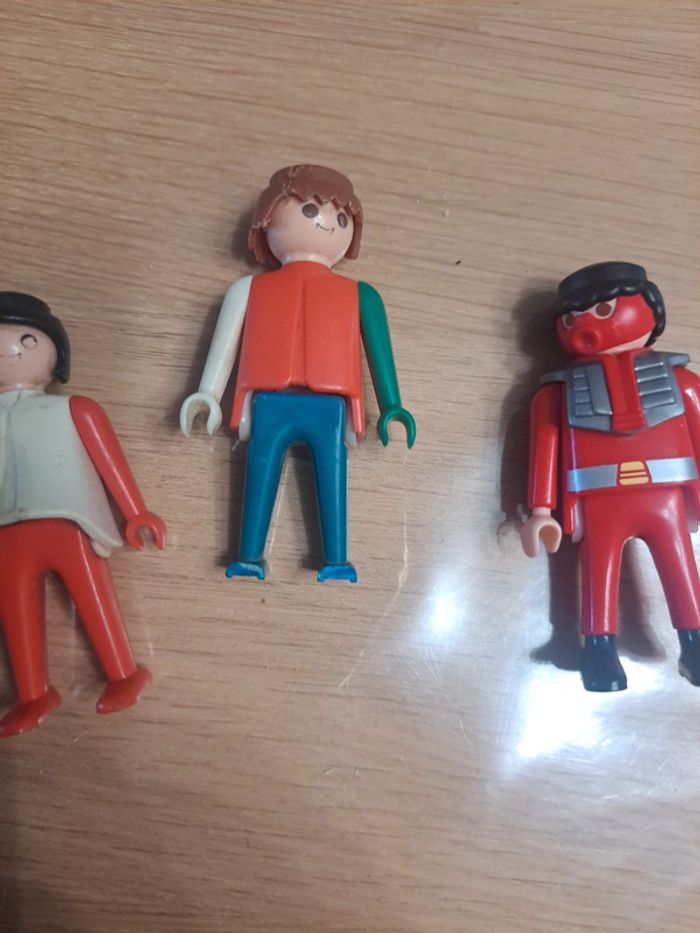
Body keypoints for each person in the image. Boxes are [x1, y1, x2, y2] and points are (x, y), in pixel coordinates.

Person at [181, 165, 415, 582]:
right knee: (260, 472)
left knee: (332, 476)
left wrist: (391, 404)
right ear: (267, 219)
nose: (327, 223)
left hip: (331, 404)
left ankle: (336, 559)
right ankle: (248, 556)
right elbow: (225, 343)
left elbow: (380, 350)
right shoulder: (249, 289)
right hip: (268, 399)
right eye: (309, 211)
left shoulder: (360, 295)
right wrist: (208, 393)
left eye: (341, 217)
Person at [521, 262, 700, 691]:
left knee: (680, 565)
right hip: (600, 496)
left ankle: (693, 642)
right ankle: (599, 650)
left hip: (665, 493)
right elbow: (546, 446)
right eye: (571, 318)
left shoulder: (682, 381)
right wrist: (541, 510)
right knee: (598, 570)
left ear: (650, 309)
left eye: (603, 311)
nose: (585, 326)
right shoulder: (556, 394)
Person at [0, 292, 165, 735]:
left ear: (57, 356)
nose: (8, 350)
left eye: (27, 340)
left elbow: (107, 457)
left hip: (70, 520)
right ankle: (32, 695)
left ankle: (123, 674)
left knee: (93, 598)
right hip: (6, 532)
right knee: (14, 609)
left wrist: (136, 511)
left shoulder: (73, 408)